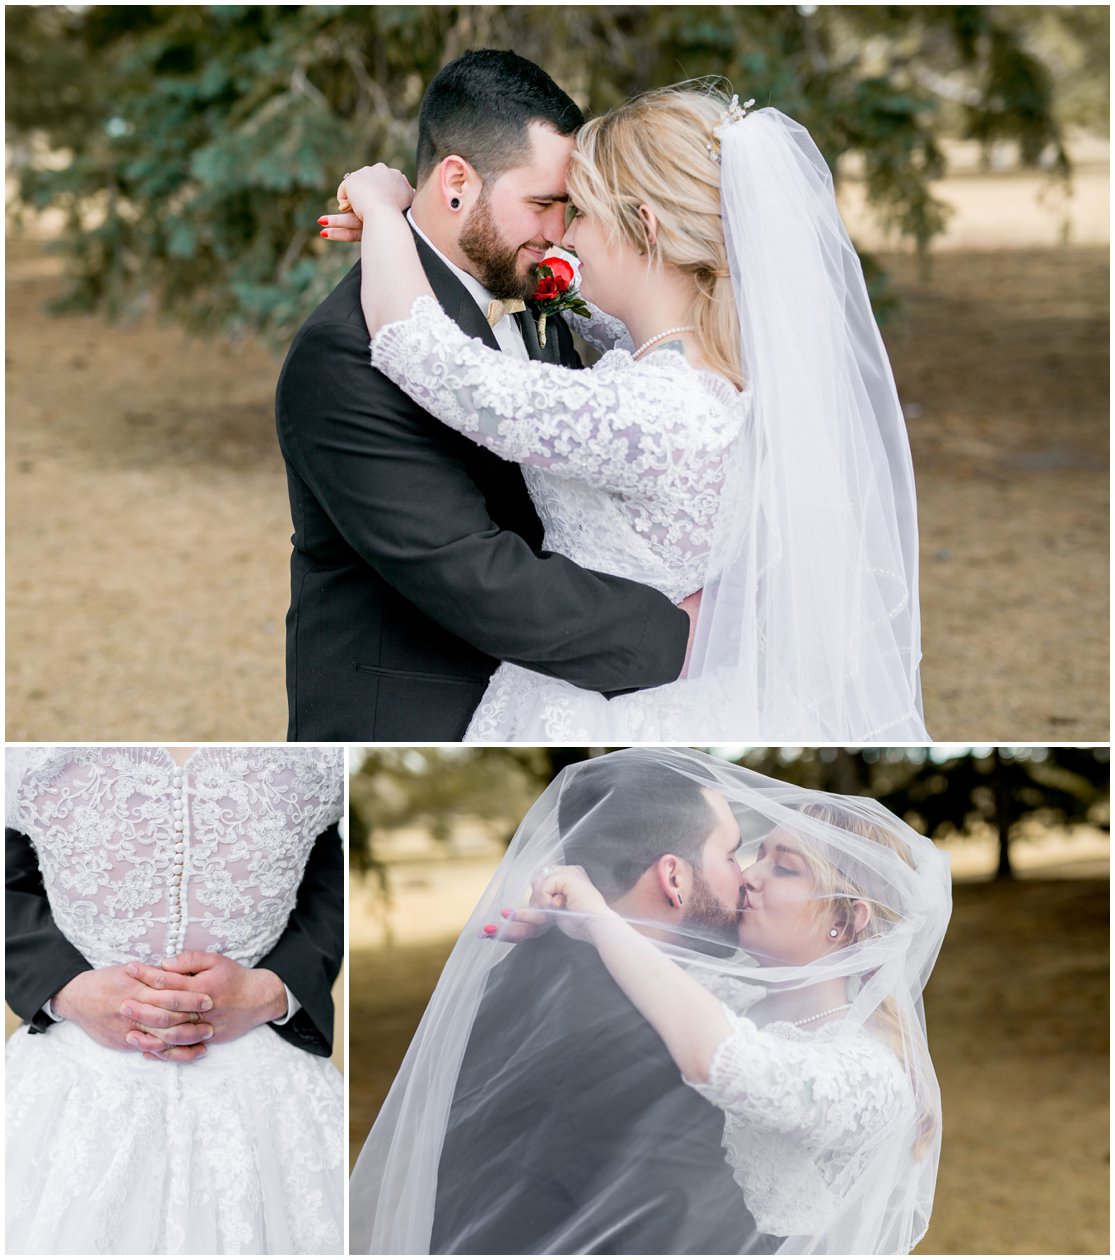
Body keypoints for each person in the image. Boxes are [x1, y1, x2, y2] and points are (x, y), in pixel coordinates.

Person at [325, 82, 929, 741]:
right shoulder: (722, 368)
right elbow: (624, 298)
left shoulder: (651, 409)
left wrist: (384, 214)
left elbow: (423, 352)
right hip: (689, 691)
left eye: (577, 212)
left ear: (645, 227)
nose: (563, 236)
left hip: (603, 697)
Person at [348, 748, 951, 1255]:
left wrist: (595, 916)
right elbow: (657, 967)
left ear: (848, 920)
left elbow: (718, 1058)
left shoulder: (872, 1073)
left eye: (784, 868)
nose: (750, 875)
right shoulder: (727, 989)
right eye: (755, 853)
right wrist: (563, 924)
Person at [276, 49, 692, 742]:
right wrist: (678, 634)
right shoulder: (345, 352)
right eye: (541, 204)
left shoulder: (520, 282)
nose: (559, 233)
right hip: (418, 713)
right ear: (456, 183)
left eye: (568, 207)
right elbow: (468, 571)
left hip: (551, 690)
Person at [5, 746, 346, 1255]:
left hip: (271, 1093)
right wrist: (67, 990)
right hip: (73, 1089)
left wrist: (273, 990)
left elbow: (329, 870)